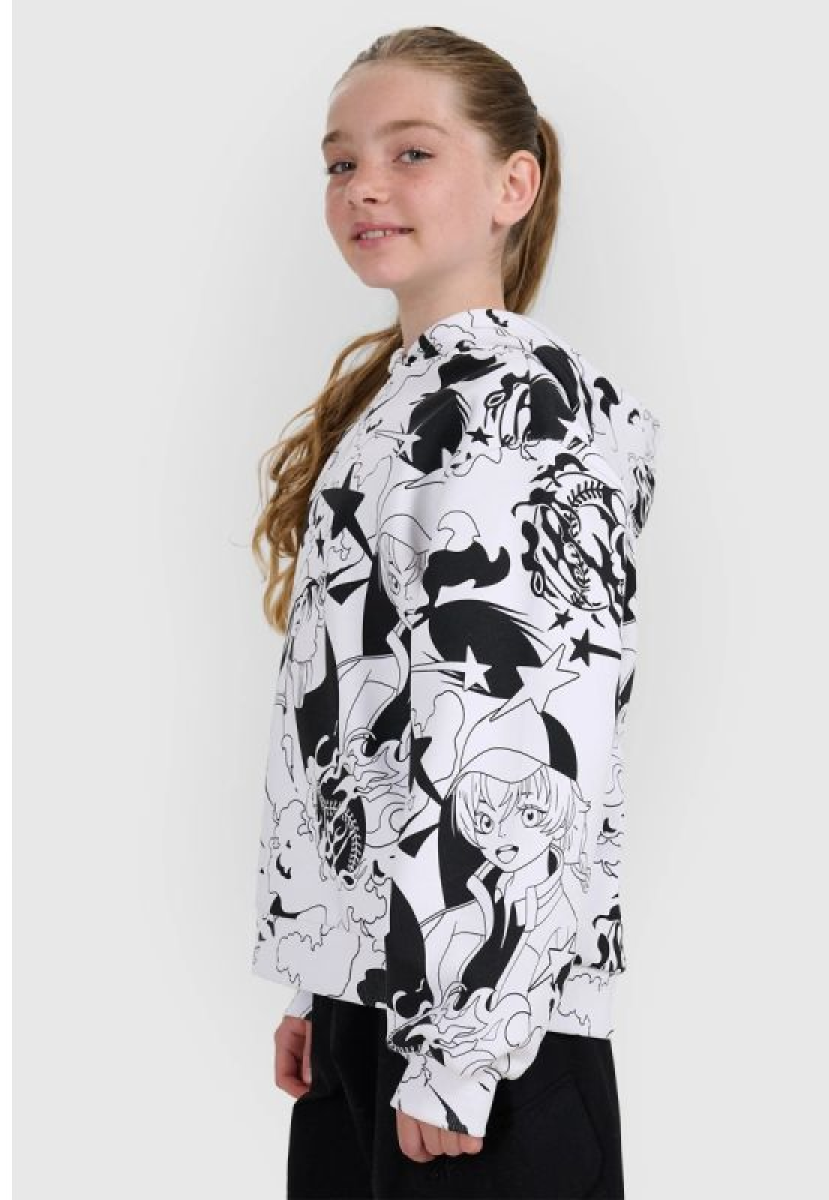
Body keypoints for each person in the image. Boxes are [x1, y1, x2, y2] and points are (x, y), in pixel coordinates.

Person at [249, 24, 661, 1200]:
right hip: (388, 1007)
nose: (364, 186)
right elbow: (366, 724)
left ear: (511, 186)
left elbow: (532, 734)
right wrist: (327, 979)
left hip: (487, 1038)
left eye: (411, 152)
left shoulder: (522, 409)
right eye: (341, 162)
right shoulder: (407, 400)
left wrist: (463, 1047)